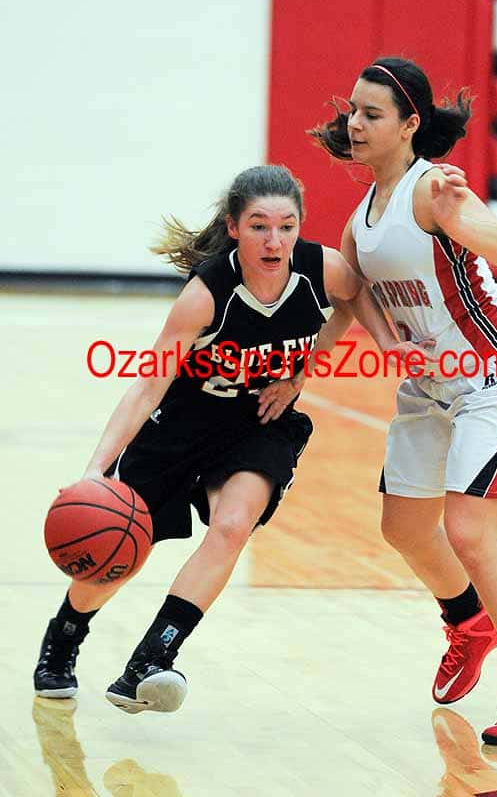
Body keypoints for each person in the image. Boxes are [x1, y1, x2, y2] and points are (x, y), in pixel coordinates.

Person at [33, 164, 394, 714]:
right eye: (258, 226)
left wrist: (301, 374)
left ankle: (149, 661)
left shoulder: (320, 268)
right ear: (233, 227)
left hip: (257, 422)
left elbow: (353, 295)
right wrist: (95, 471)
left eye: (286, 227)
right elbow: (147, 387)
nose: (274, 241)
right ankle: (64, 638)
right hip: (181, 425)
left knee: (232, 525)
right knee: (121, 545)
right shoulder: (205, 295)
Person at [309, 57, 497, 746]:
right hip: (431, 386)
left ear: (409, 124)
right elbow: (349, 296)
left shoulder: (432, 188)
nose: (354, 123)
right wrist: (297, 371)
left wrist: (462, 218)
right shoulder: (362, 219)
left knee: (470, 533)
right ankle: (469, 621)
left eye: (371, 113)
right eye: (352, 111)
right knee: (404, 528)